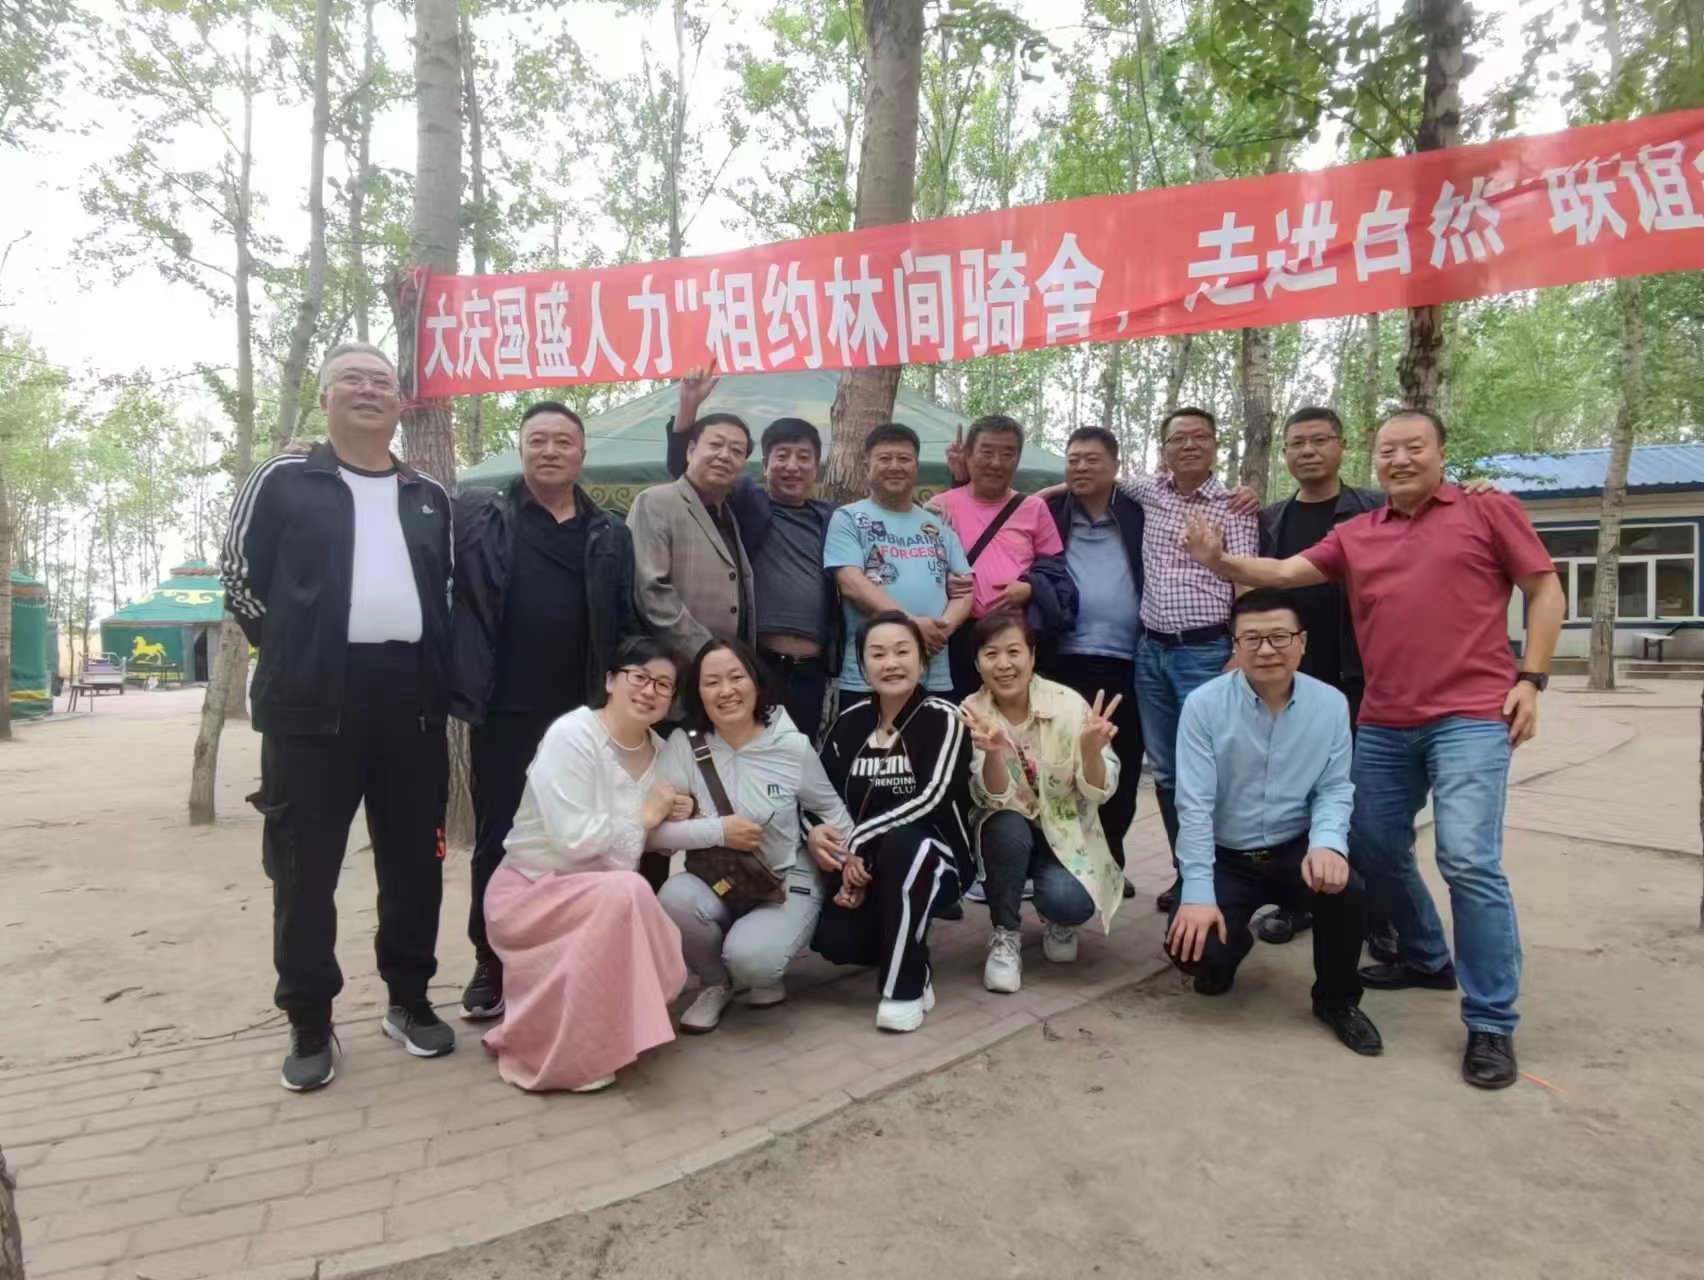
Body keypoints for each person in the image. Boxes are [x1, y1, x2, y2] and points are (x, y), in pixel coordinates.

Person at [1181, 408, 1564, 1090]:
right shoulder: (1358, 533)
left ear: (1441, 452)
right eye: (1389, 450)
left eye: (1415, 447)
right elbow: (1283, 570)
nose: (1401, 460)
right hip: (1384, 718)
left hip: (1472, 713)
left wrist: (1531, 679)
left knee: (1467, 860)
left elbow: (1543, 587)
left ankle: (1490, 1021)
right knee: (1376, 849)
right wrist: (1217, 561)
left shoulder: (1486, 509)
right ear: (1374, 458)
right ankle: (1426, 956)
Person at [220, 341, 456, 1093]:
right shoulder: (285, 479)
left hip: (411, 701)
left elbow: (447, 589)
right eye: (351, 379)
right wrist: (296, 648)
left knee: (415, 862)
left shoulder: (427, 495)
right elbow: (238, 576)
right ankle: (309, 1019)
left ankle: (409, 998)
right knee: (303, 867)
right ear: (325, 397)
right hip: (310, 703)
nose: (368, 390)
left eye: (382, 381)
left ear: (401, 404)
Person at [450, 401, 639, 1023]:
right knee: (500, 839)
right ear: (522, 449)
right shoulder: (479, 518)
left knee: (582, 838)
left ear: (582, 454)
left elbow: (627, 619)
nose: (550, 450)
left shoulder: (609, 533)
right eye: (538, 440)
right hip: (504, 712)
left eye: (563, 441)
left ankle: (568, 956)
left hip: (582, 718)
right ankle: (491, 960)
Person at [1164, 589, 1381, 1056]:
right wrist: (1197, 893)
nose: (1266, 650)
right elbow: (1194, 806)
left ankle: (1337, 1000)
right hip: (1227, 856)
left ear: (1302, 642)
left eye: (1279, 637)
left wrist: (1327, 845)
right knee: (1191, 948)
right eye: (1252, 639)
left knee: (1347, 890)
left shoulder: (1331, 704)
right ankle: (1232, 945)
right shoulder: (1204, 705)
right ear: (1235, 645)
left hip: (1293, 847)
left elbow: (1334, 788)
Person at [481, 639, 693, 1094]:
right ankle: (573, 1057)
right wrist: (647, 816)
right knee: (629, 890)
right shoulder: (572, 735)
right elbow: (573, 840)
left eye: (663, 684)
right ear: (611, 680)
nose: (649, 690)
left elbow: (657, 830)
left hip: (595, 895)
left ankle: (607, 1034)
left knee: (625, 893)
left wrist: (681, 810)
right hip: (530, 891)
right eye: (639, 676)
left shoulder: (663, 753)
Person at [655, 640, 856, 1032]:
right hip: (720, 878)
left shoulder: (790, 745)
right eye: (712, 681)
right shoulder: (684, 744)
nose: (726, 690)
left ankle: (756, 966)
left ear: (756, 682)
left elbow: (832, 811)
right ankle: (715, 983)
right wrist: (718, 831)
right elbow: (655, 836)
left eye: (736, 677)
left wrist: (849, 864)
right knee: (674, 898)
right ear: (697, 692)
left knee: (754, 961)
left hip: (785, 875)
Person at [1254, 407, 1391, 955]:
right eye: (1296, 444)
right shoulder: (1272, 519)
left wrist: (1476, 489)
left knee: (1363, 798)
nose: (1307, 452)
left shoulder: (1375, 509)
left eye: (1319, 440)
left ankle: (1375, 911)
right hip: (1288, 678)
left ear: (1342, 445)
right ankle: (1298, 899)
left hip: (1359, 673)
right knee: (1293, 789)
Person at [1113, 408, 1260, 914]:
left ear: (1216, 445)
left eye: (1200, 437)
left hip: (1206, 653)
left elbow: (1247, 580)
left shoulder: (1234, 505)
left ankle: (1224, 878)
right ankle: (1187, 875)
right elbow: (1093, 475)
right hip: (1150, 653)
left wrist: (1242, 650)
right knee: (1168, 773)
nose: (1189, 445)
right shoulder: (1150, 491)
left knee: (1211, 770)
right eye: (1179, 438)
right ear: (1164, 448)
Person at [813, 612, 974, 1033]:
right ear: (862, 665)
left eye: (902, 652)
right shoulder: (848, 724)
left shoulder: (944, 717)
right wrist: (825, 841)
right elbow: (820, 795)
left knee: (906, 844)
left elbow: (933, 796)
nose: (891, 663)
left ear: (922, 660)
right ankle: (912, 956)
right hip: (863, 864)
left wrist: (859, 843)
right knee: (836, 941)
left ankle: (903, 988)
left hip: (939, 857)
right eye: (878, 654)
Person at [665, 369, 839, 739]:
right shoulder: (745, 502)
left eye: (803, 457)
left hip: (813, 668)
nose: (792, 466)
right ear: (765, 465)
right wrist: (688, 406)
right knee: (748, 745)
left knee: (800, 752)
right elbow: (689, 470)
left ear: (817, 467)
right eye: (782, 456)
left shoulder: (832, 518)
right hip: (757, 662)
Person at [956, 611, 1123, 995]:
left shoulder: (1068, 704)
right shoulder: (972, 711)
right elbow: (990, 797)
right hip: (1009, 833)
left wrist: (1091, 752)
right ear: (977, 662)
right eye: (991, 653)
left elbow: (1100, 792)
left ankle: (1058, 920)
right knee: (1002, 824)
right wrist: (994, 753)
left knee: (1070, 903)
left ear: (1032, 656)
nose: (1003, 664)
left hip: (1065, 834)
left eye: (1014, 651)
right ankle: (1005, 934)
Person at [1045, 426, 1146, 901]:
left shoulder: (1138, 514)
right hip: (1063, 660)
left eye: (1092, 459)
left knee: (1120, 770)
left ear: (1115, 466)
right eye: (1073, 460)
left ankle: (1111, 862)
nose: (1081, 467)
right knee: (1064, 766)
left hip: (1128, 661)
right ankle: (1063, 864)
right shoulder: (1050, 512)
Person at [823, 423, 974, 699]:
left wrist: (942, 629)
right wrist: (912, 625)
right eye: (884, 458)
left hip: (933, 670)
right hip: (869, 675)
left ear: (916, 466)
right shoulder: (848, 518)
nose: (895, 466)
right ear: (867, 465)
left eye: (904, 459)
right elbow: (851, 584)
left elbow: (965, 588)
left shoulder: (938, 524)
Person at [929, 414, 1064, 700]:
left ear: (1017, 459)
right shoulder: (939, 507)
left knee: (1013, 713)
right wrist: (943, 583)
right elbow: (919, 567)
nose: (996, 463)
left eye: (1007, 454)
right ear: (968, 455)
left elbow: (1055, 570)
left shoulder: (1034, 509)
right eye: (987, 452)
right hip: (956, 635)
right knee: (958, 713)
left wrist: (1030, 587)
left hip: (1013, 636)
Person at [628, 410, 757, 663]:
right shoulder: (656, 502)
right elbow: (650, 591)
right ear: (690, 450)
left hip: (728, 667)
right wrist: (706, 652)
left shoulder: (730, 514)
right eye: (716, 444)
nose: (724, 456)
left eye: (736, 451)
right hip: (676, 664)